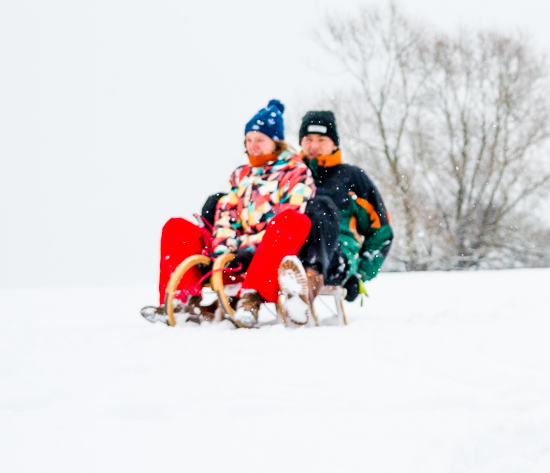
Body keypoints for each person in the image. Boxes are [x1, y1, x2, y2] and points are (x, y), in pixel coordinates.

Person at [146, 99, 316, 326]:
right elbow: (226, 216)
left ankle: (251, 297)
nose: (253, 145)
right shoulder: (240, 175)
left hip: (267, 258)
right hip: (230, 259)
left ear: (276, 142)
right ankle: (181, 302)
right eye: (249, 139)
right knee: (177, 227)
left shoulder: (297, 172)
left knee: (294, 221)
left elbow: (289, 214)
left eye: (260, 140)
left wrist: (251, 250)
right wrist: (224, 251)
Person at [295, 110, 394, 302]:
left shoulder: (352, 179)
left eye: (321, 139)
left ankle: (311, 275)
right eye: (308, 139)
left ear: (334, 143)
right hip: (293, 253)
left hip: (336, 258)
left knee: (321, 206)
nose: (313, 145)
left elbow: (381, 232)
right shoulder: (291, 175)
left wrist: (359, 274)